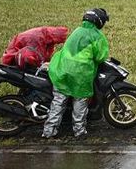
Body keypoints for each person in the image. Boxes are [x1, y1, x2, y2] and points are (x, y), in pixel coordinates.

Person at [42, 8, 110, 139]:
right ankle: (79, 131)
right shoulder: (96, 36)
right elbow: (101, 57)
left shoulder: (77, 31)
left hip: (62, 71)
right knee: (80, 101)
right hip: (80, 75)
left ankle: (48, 132)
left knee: (58, 102)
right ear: (99, 22)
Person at [1, 26, 69, 71]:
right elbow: (34, 55)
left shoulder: (46, 38)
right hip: (14, 58)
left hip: (22, 53)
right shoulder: (38, 38)